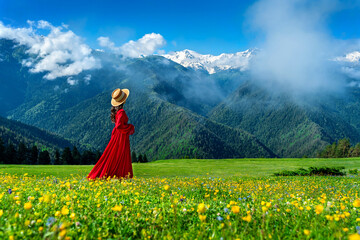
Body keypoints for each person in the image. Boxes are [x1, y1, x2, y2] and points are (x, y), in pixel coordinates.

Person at [87, 88, 135, 180]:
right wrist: (130, 127)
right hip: (121, 136)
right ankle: (121, 175)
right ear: (123, 101)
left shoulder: (117, 111)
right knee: (119, 154)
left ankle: (116, 175)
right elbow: (119, 126)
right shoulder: (121, 112)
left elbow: (117, 125)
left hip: (118, 135)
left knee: (113, 153)